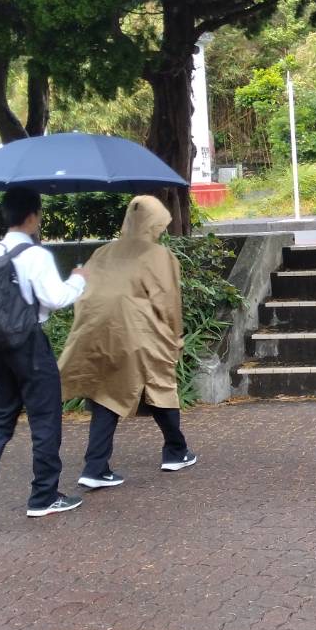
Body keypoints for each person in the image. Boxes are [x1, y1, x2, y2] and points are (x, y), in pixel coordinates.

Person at [0, 188, 88, 527]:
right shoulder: (35, 255)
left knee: (0, 421)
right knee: (45, 420)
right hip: (29, 345)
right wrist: (78, 280)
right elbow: (55, 298)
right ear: (32, 216)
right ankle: (44, 496)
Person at [58, 195, 198, 489]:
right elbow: (167, 300)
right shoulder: (157, 255)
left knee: (105, 393)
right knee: (159, 384)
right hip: (139, 331)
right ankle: (176, 450)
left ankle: (96, 466)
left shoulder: (102, 252)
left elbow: (84, 293)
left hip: (94, 330)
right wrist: (175, 336)